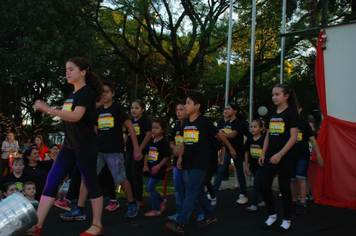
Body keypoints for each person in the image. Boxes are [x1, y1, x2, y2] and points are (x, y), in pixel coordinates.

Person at [26, 57, 105, 236]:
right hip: (69, 146)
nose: (67, 72)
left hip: (85, 146)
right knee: (52, 180)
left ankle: (97, 225)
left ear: (83, 72)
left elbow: (76, 116)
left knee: (91, 182)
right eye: (66, 69)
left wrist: (48, 109)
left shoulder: (86, 93)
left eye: (71, 69)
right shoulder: (72, 95)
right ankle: (37, 225)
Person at [61, 82, 142, 221]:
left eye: (107, 91)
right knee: (86, 177)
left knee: (120, 178)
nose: (104, 94)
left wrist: (136, 148)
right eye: (102, 92)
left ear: (112, 94)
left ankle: (132, 203)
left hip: (114, 151)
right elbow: (94, 132)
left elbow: (130, 127)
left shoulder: (117, 108)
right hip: (98, 151)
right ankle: (79, 209)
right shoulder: (97, 111)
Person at [166, 92, 237, 235]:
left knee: (191, 191)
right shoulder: (185, 122)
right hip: (188, 161)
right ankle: (210, 216)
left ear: (197, 106)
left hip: (201, 162)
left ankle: (181, 223)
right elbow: (186, 141)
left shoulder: (205, 122)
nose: (185, 106)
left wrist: (231, 148)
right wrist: (180, 157)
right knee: (198, 192)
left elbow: (220, 135)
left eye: (188, 103)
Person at [259, 83, 299, 232]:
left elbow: (293, 137)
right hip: (270, 155)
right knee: (264, 185)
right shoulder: (271, 114)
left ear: (286, 96)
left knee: (283, 186)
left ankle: (287, 218)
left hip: (286, 156)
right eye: (273, 95)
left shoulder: (292, 113)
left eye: (277, 94)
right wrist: (263, 153)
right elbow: (268, 135)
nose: (274, 97)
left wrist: (280, 154)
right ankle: (272, 215)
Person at [291, 106, 324, 215]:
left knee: (301, 178)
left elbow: (313, 141)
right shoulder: (287, 124)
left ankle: (302, 203)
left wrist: (318, 156)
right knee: (292, 179)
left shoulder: (305, 125)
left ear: (300, 109)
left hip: (303, 156)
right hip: (290, 156)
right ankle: (294, 201)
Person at [213, 102, 248, 204]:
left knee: (239, 172)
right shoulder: (226, 123)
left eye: (229, 109)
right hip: (227, 150)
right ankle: (213, 192)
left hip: (237, 150)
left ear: (235, 111)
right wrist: (221, 134)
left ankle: (243, 194)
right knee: (220, 170)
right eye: (226, 109)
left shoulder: (238, 122)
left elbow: (232, 135)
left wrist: (220, 134)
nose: (226, 110)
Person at [125, 99, 152, 208]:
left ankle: (138, 199)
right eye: (132, 108)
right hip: (129, 151)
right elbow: (127, 135)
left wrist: (139, 149)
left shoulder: (145, 121)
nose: (134, 110)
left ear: (143, 109)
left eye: (136, 108)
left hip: (139, 151)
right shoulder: (130, 121)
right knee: (128, 174)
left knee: (136, 174)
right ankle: (131, 198)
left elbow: (148, 135)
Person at [143, 119, 170, 216]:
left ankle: (156, 209)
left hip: (157, 169)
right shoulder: (151, 141)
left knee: (150, 187)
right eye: (153, 128)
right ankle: (161, 200)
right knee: (147, 188)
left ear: (163, 130)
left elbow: (166, 157)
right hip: (149, 168)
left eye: (157, 128)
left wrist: (158, 167)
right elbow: (146, 153)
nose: (154, 130)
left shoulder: (164, 143)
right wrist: (145, 165)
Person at [167, 101, 189, 222]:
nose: (179, 112)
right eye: (177, 110)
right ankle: (180, 212)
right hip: (176, 162)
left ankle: (200, 212)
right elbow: (171, 142)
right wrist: (174, 148)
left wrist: (181, 150)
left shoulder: (189, 125)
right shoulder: (176, 127)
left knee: (189, 188)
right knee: (178, 189)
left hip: (187, 163)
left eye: (182, 109)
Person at [244, 119, 266, 212]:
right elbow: (246, 152)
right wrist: (246, 166)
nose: (253, 129)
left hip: (262, 165)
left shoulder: (264, 139)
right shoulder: (249, 139)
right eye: (251, 127)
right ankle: (265, 199)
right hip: (253, 165)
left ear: (261, 129)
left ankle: (254, 204)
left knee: (256, 182)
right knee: (260, 183)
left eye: (255, 127)